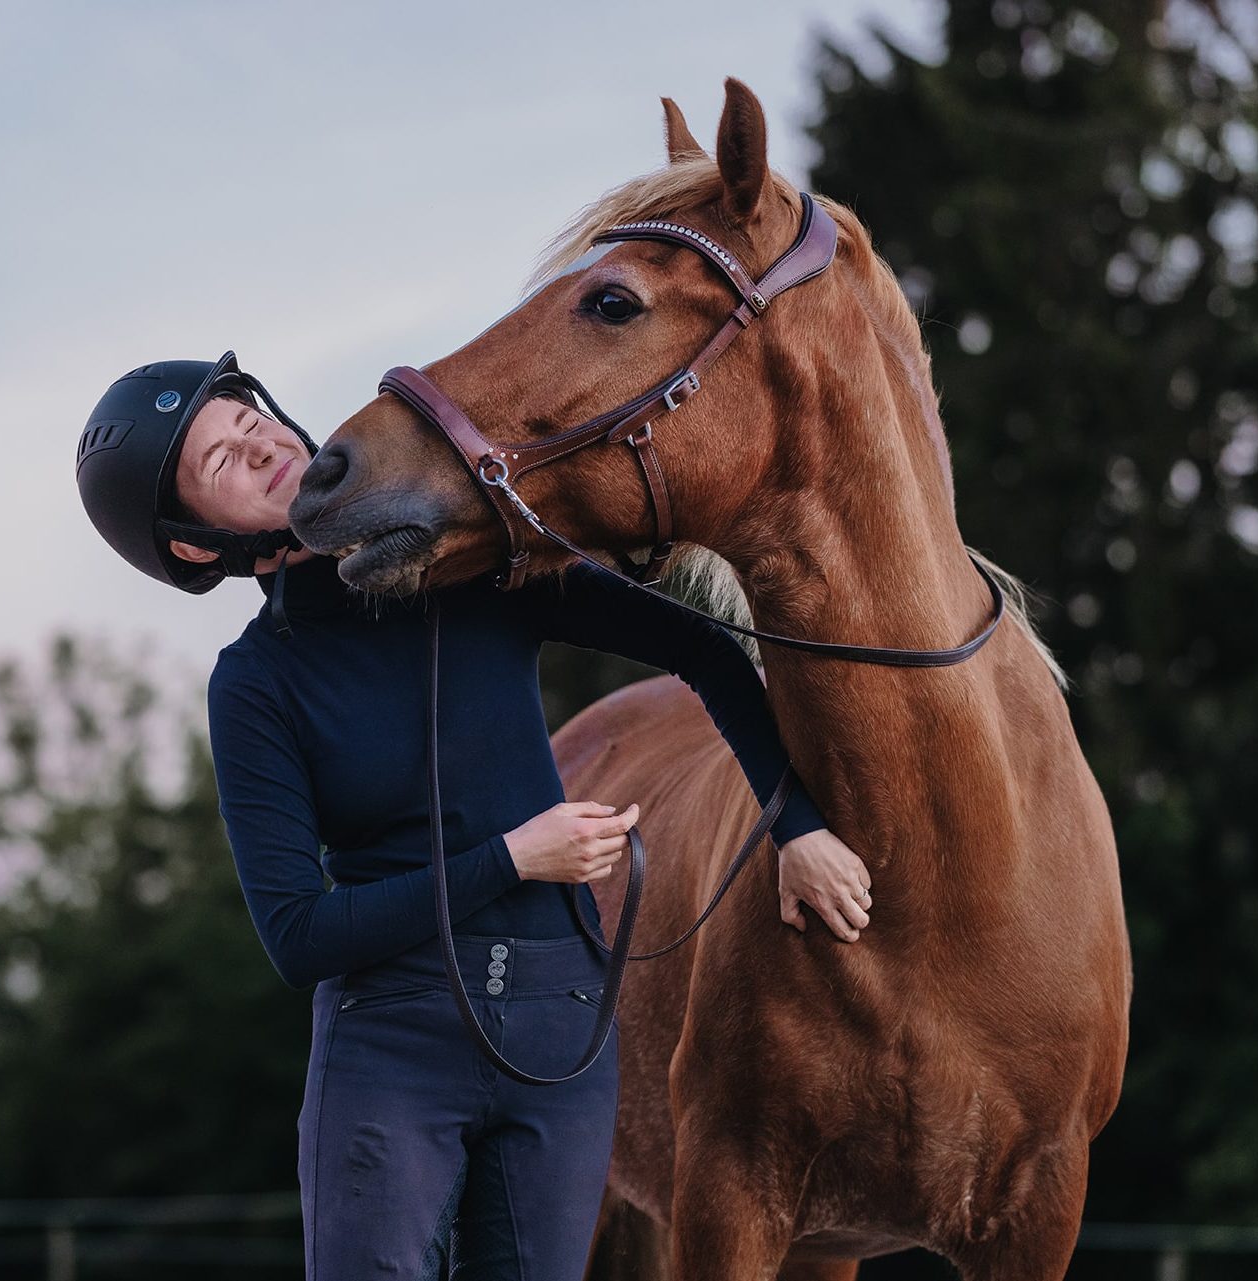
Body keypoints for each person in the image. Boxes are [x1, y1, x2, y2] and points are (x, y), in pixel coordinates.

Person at [76, 350, 874, 1279]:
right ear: (194, 544)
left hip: (560, 1031)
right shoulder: (256, 685)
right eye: (220, 463)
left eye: (250, 421)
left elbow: (700, 645)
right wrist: (514, 857)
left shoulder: (476, 571)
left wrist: (798, 825)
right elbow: (297, 933)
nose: (258, 448)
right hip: (390, 1046)